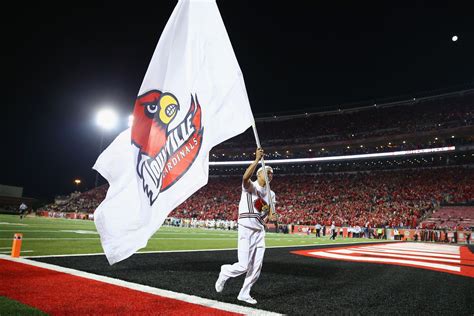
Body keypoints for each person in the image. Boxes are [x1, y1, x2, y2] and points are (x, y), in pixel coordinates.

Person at [215, 148, 276, 305]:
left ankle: (244, 293)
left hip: (259, 230)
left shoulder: (272, 194)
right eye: (267, 172)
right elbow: (244, 177)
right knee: (243, 265)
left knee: (256, 267)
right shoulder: (251, 186)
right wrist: (256, 160)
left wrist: (272, 216)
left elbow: (268, 212)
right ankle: (225, 271)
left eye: (272, 173)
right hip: (246, 227)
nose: (270, 175)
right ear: (259, 174)